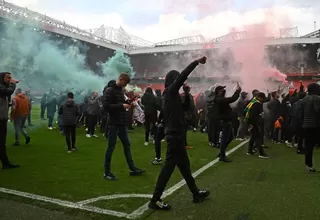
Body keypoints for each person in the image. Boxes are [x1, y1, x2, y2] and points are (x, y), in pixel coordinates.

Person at [148, 57, 209, 210]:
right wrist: (195, 62)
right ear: (173, 80)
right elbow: (183, 76)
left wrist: (187, 94)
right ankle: (155, 200)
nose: (180, 83)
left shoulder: (172, 96)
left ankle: (195, 193)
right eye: (177, 80)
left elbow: (186, 108)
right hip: (174, 135)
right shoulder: (169, 92)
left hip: (177, 135)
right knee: (168, 168)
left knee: (184, 167)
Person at [103, 74, 145, 180]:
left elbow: (120, 104)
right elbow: (106, 106)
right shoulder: (109, 90)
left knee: (127, 145)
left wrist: (128, 102)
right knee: (111, 147)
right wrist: (122, 105)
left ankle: (132, 168)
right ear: (120, 79)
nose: (125, 86)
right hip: (113, 123)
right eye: (125, 83)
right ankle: (107, 172)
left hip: (121, 122)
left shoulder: (120, 91)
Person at [214, 84, 241, 162]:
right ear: (218, 91)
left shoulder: (220, 98)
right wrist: (237, 91)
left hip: (226, 120)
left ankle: (221, 152)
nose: (224, 91)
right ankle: (222, 155)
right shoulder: (219, 99)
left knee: (230, 137)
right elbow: (232, 99)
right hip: (224, 121)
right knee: (224, 138)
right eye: (222, 89)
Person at [0, 72, 20, 169]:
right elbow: (7, 92)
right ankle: (5, 163)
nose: (10, 79)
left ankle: (5, 163)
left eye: (10, 77)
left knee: (1, 143)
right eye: (8, 77)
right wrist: (13, 84)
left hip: (2, 119)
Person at [301, 83, 320, 172]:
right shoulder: (317, 98)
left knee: (308, 147)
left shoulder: (304, 99)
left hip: (306, 125)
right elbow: (317, 111)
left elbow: (302, 113)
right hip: (316, 125)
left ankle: (308, 166)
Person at [246, 92, 270, 158]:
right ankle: (261, 153)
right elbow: (254, 115)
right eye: (262, 98)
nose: (263, 100)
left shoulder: (253, 101)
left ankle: (249, 150)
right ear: (260, 97)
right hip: (253, 123)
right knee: (257, 137)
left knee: (253, 136)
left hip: (250, 122)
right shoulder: (257, 104)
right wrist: (256, 123)